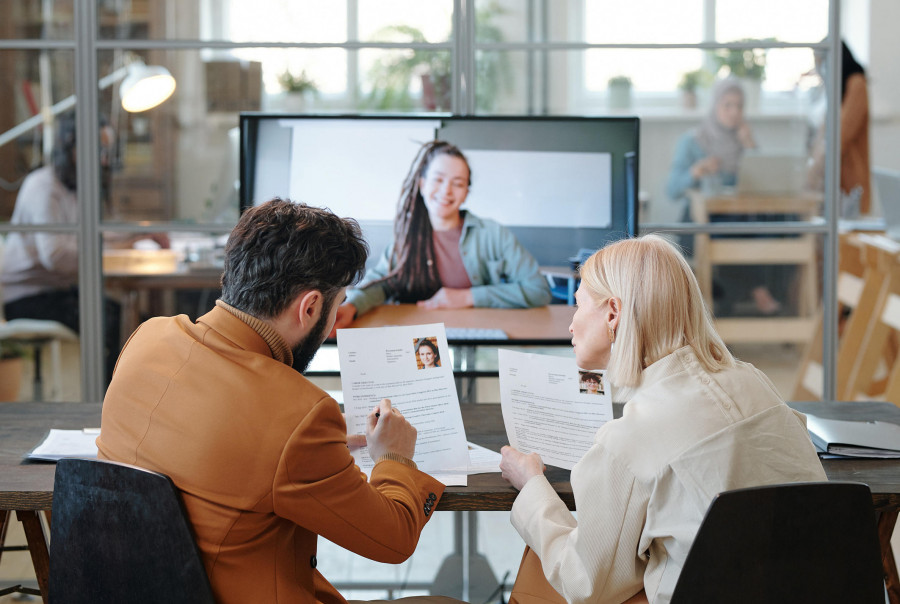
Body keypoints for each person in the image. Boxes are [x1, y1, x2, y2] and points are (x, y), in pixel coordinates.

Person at [96, 199, 455, 604]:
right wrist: (395, 458)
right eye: (336, 309)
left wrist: (317, 446)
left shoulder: (148, 338)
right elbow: (393, 541)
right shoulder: (299, 415)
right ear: (311, 307)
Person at [499, 234, 826, 604]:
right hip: (806, 590)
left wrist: (532, 488)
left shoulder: (629, 440)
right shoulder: (754, 382)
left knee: (542, 564)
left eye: (577, 306)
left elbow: (585, 584)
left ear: (612, 313)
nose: (571, 325)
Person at [0, 112, 168, 383]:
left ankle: (125, 401)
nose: (104, 159)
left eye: (107, 151)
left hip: (58, 290)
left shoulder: (74, 186)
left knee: (143, 323)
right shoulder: (44, 188)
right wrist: (117, 248)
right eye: (99, 150)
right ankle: (107, 405)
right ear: (71, 145)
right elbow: (56, 256)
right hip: (28, 298)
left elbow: (94, 236)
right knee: (120, 325)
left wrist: (137, 235)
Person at [331, 141, 551, 333]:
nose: (446, 191)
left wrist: (467, 297)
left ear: (466, 192)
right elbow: (382, 284)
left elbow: (537, 290)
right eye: (438, 180)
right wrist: (352, 306)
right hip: (415, 340)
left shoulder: (493, 234)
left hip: (473, 337)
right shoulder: (407, 236)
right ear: (422, 184)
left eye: (457, 183)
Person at [666, 78, 783, 316]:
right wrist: (695, 172)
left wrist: (749, 146)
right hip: (698, 222)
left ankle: (722, 312)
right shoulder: (693, 141)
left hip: (737, 220)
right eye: (727, 105)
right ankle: (758, 291)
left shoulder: (743, 142)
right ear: (715, 105)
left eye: (740, 106)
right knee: (725, 234)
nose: (734, 112)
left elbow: (765, 184)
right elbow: (671, 189)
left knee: (752, 229)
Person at [807, 40, 870, 215]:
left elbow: (840, 136)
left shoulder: (856, 84)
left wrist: (814, 168)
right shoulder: (832, 89)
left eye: (821, 61)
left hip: (849, 181)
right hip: (828, 182)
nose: (819, 68)